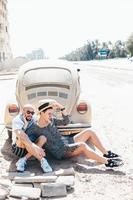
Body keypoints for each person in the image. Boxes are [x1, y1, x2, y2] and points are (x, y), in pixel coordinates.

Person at [26, 99, 123, 168]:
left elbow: (66, 121)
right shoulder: (35, 127)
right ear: (41, 113)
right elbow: (25, 137)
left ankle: (106, 153)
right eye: (49, 113)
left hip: (66, 141)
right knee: (82, 146)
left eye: (52, 113)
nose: (51, 116)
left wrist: (61, 107)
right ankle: (108, 162)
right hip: (61, 152)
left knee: (89, 132)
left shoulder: (51, 120)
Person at [12, 104, 52, 173]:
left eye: (32, 113)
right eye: (28, 112)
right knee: (22, 137)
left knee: (43, 138)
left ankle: (23, 159)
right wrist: (36, 147)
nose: (30, 114)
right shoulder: (17, 120)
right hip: (19, 148)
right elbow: (20, 134)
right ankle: (42, 159)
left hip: (30, 146)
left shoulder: (33, 118)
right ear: (22, 111)